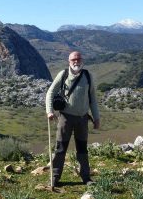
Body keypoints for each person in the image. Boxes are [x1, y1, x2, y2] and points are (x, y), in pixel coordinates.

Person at [45, 51, 100, 186]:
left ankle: (86, 178)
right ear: (69, 61)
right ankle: (55, 177)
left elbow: (93, 98)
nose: (76, 61)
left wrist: (96, 117)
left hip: (82, 119)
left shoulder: (87, 76)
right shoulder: (63, 74)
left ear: (82, 60)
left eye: (78, 59)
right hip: (65, 118)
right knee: (60, 148)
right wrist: (49, 111)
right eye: (73, 60)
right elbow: (50, 92)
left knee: (82, 148)